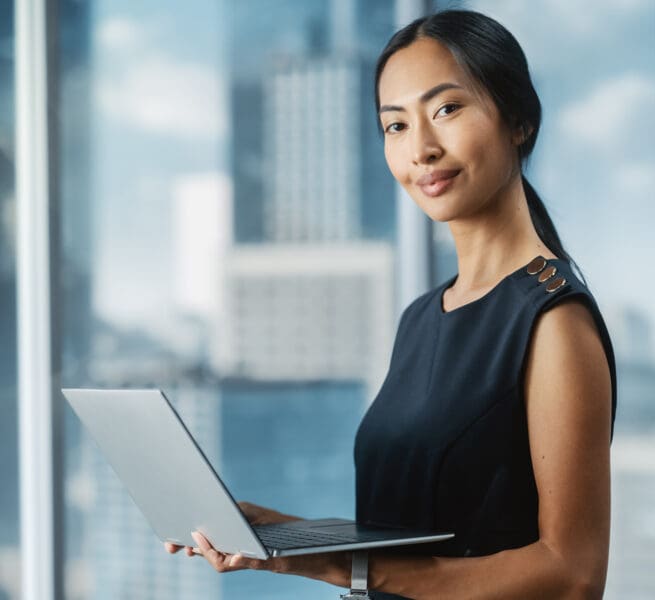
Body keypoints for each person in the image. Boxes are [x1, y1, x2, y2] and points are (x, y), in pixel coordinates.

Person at [166, 9, 616, 599]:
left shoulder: (553, 320)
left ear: (519, 121)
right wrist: (285, 538)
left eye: (447, 109)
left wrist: (345, 568)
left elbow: (573, 574)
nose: (421, 148)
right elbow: (422, 541)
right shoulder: (422, 318)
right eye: (395, 126)